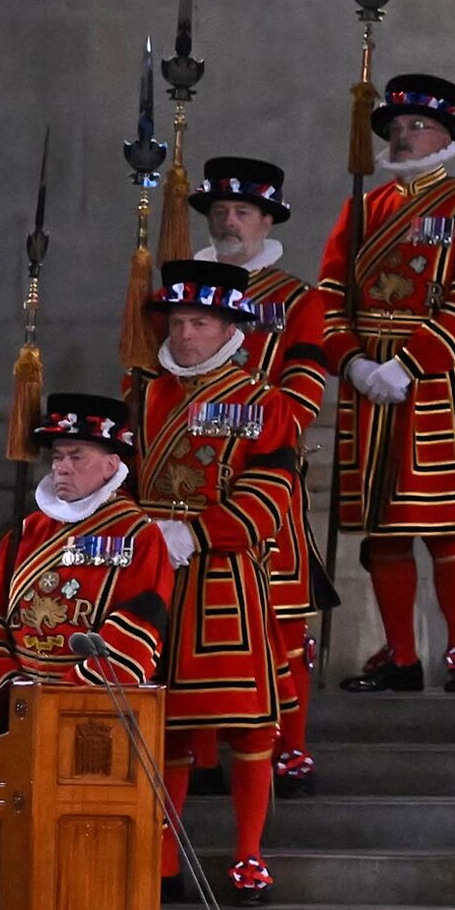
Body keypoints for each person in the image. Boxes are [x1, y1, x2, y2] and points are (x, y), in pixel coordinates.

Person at [127, 259, 320, 899]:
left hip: (226, 582)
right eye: (178, 321)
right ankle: (163, 858)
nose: (185, 334)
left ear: (230, 328)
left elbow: (269, 497)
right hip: (154, 581)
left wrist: (196, 533)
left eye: (200, 323)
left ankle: (248, 853)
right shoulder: (142, 396)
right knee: (168, 724)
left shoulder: (264, 403)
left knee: (248, 723)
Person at [324, 71, 455, 694]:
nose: (402, 137)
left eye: (417, 126)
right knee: (383, 529)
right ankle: (401, 656)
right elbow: (329, 297)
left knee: (447, 524)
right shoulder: (360, 209)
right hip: (367, 383)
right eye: (396, 127)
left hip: (434, 384)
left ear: (446, 136)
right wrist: (351, 362)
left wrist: (407, 365)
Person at [191, 153, 343, 792]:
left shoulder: (298, 300)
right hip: (186, 486)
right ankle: (198, 753)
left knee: (281, 621)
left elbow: (301, 401)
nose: (229, 222)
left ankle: (290, 747)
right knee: (191, 619)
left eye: (242, 211)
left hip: (264, 481)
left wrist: (216, 415)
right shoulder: (177, 294)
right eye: (221, 210)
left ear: (267, 220)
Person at [0, 394, 186, 708]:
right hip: (15, 704)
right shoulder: (28, 531)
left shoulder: (138, 535)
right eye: (57, 457)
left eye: (77, 457)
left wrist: (61, 700)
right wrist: (12, 692)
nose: (61, 468)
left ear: (110, 465)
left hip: (90, 707)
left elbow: (138, 629)